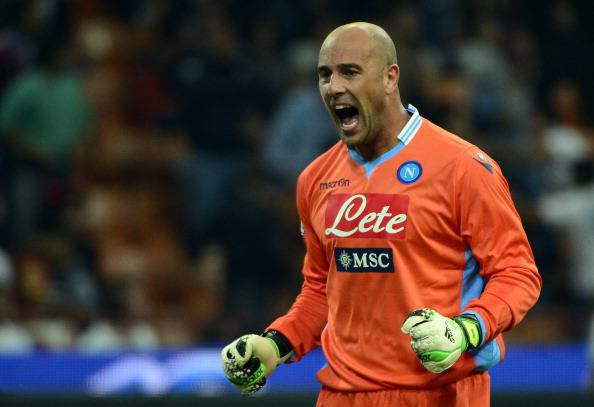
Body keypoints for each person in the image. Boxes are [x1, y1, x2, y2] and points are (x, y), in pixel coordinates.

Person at [221, 22, 541, 406]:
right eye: (325, 75)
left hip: (440, 394)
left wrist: (465, 330)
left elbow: (517, 274)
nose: (333, 87)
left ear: (390, 78)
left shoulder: (463, 167)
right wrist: (275, 342)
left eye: (350, 72)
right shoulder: (315, 179)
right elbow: (321, 290)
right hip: (341, 395)